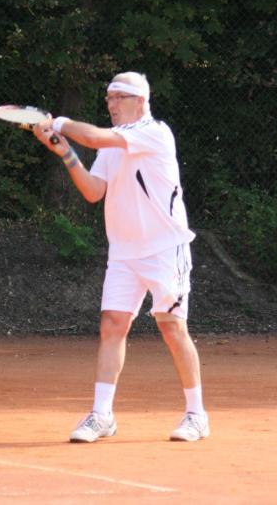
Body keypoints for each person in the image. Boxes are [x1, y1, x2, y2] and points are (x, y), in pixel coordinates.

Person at [32, 72, 209, 442]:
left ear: (140, 101)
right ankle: (101, 416)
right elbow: (94, 191)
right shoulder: (112, 145)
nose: (110, 104)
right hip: (124, 252)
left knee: (172, 327)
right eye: (108, 98)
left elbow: (95, 136)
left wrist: (58, 122)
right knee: (112, 326)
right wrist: (65, 153)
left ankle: (196, 415)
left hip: (165, 249)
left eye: (118, 97)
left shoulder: (154, 132)